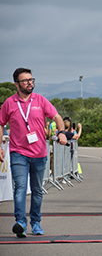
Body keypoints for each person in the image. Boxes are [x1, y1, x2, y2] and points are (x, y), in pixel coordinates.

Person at [0, 68, 67, 237]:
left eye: (31, 79)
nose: (30, 82)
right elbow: (1, 123)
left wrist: (61, 133)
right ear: (17, 84)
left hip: (39, 154)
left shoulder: (41, 100)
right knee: (20, 187)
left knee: (37, 190)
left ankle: (36, 222)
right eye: (25, 80)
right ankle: (20, 222)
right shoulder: (9, 103)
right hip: (18, 153)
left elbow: (57, 117)